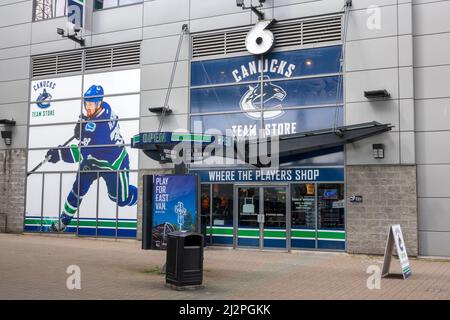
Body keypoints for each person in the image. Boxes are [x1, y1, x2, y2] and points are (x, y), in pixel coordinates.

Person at [46, 85, 137, 232]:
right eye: (86, 103)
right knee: (77, 190)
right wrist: (83, 121)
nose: (88, 107)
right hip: (92, 160)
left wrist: (59, 154)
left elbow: (80, 152)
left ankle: (144, 196)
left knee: (119, 199)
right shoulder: (104, 107)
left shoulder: (100, 130)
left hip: (114, 164)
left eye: (91, 104)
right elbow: (89, 127)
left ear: (99, 103)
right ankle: (63, 222)